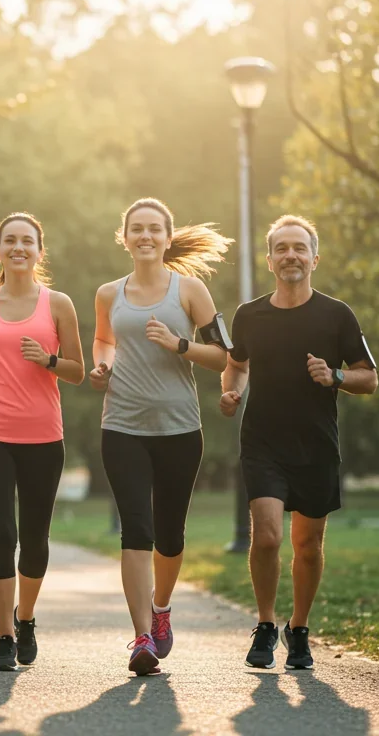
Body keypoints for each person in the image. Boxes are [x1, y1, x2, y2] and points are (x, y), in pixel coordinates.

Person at [220, 215, 377, 671]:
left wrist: (336, 376)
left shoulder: (337, 314)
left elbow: (370, 378)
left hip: (316, 444)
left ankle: (299, 628)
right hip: (263, 441)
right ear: (269, 260)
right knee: (267, 538)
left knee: (307, 546)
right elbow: (236, 363)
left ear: (314, 258)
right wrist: (231, 391)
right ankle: (266, 625)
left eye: (299, 248)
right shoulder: (249, 314)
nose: (291, 255)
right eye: (282, 248)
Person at [89, 198, 232, 676]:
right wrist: (101, 366)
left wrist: (180, 345)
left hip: (179, 428)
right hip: (122, 425)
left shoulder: (189, 291)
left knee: (169, 535)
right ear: (124, 237)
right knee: (137, 528)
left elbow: (226, 357)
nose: (145, 236)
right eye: (137, 229)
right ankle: (141, 636)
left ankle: (162, 607)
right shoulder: (109, 293)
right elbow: (103, 340)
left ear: (167, 238)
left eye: (154, 229)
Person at [0, 213, 84, 671]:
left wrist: (47, 359)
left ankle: (25, 617)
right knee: (1, 535)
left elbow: (78, 370)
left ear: (39, 251)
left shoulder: (59, 304)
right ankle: (5, 637)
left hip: (44, 437)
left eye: (28, 241)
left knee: (34, 538)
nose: (19, 247)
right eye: (10, 240)